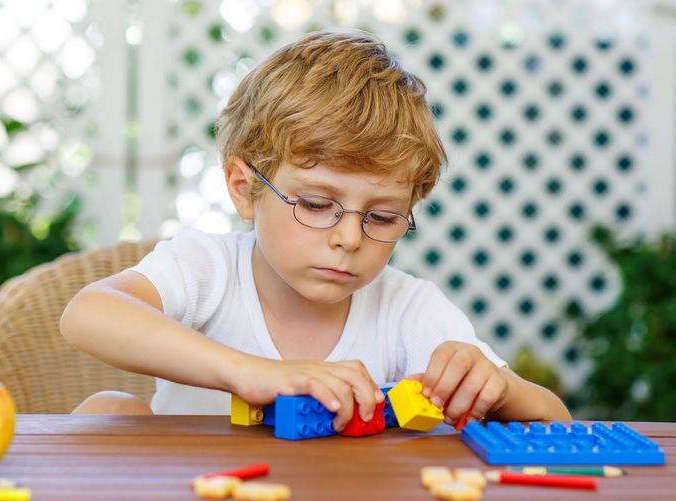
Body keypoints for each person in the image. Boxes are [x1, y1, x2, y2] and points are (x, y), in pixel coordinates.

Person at [60, 30, 571, 428]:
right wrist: (252, 372)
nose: (349, 238)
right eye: (317, 204)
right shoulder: (207, 271)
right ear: (244, 188)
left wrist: (500, 389)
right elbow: (88, 314)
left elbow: (555, 421)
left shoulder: (409, 309)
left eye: (383, 217)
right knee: (108, 407)